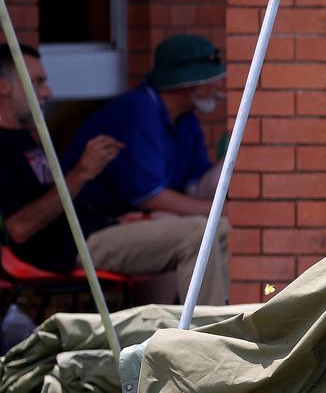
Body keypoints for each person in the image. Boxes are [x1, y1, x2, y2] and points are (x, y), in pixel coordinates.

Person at [0, 43, 229, 305]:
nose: (48, 91)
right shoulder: (4, 145)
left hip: (92, 228)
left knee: (217, 228)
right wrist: (81, 173)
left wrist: (114, 219)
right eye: (37, 82)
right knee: (201, 233)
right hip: (67, 247)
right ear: (3, 86)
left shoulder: (24, 138)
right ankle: (210, 338)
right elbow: (19, 228)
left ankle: (217, 323)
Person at [68, 34, 225, 219]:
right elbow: (151, 197)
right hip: (99, 223)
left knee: (211, 227)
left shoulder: (186, 118)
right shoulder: (138, 109)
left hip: (145, 219)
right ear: (186, 83)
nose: (218, 84)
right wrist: (217, 212)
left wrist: (242, 151)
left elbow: (196, 186)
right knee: (199, 230)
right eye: (209, 78)